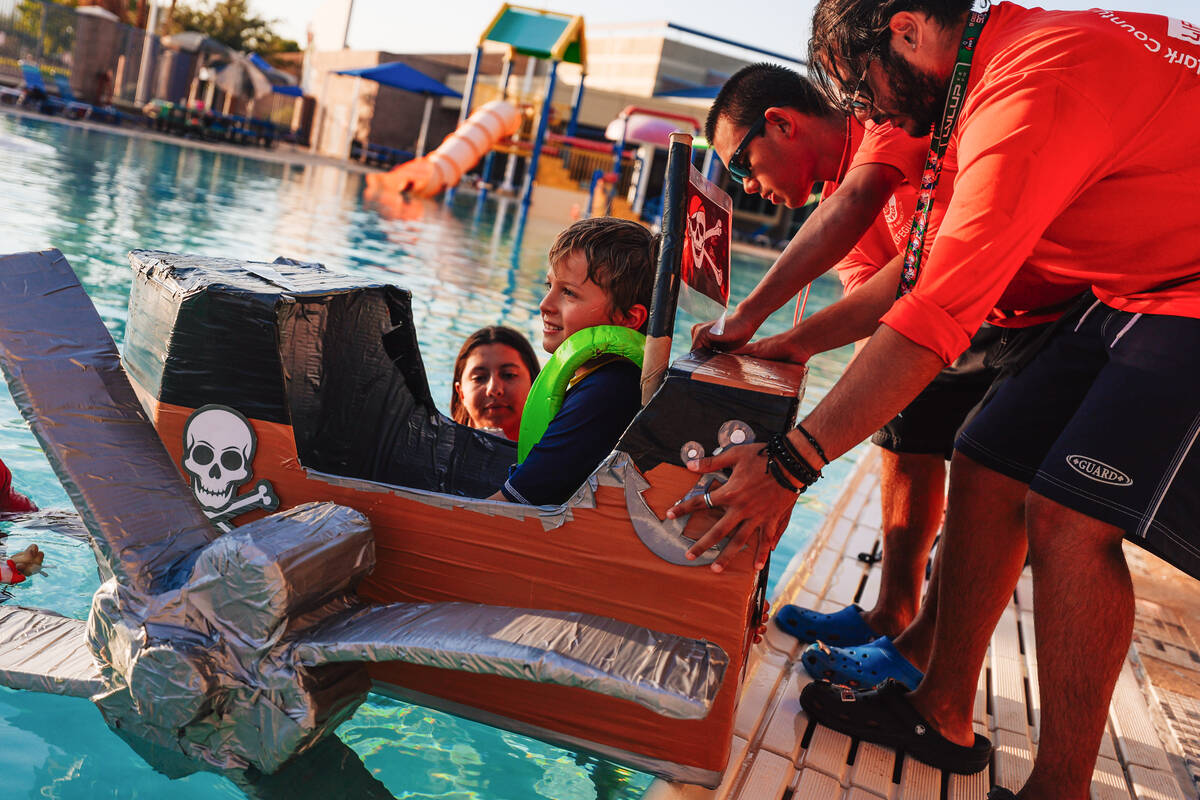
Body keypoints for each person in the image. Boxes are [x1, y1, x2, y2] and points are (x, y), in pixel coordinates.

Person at [669, 2, 1200, 797]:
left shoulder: (1031, 88)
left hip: (1184, 289)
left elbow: (932, 316)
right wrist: (797, 345)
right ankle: (943, 708)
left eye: (857, 89)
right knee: (988, 459)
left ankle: (1061, 788)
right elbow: (917, 273)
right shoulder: (989, 76)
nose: (863, 113)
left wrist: (789, 463)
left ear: (909, 30)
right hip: (1128, 283)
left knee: (1071, 516)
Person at [701, 64, 1078, 681]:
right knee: (901, 424)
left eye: (741, 165)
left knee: (989, 468)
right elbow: (881, 307)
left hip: (1039, 303)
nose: (744, 187)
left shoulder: (881, 122)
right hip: (968, 309)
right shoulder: (834, 214)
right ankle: (891, 612)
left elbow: (901, 240)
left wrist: (756, 319)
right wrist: (794, 354)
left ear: (781, 123)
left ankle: (925, 658)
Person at [489, 217, 656, 506]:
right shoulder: (606, 379)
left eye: (568, 292)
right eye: (549, 285)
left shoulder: (609, 391)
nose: (545, 304)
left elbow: (510, 507)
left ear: (628, 319)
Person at [450, 325, 540, 441]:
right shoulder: (439, 453)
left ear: (534, 385)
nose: (493, 389)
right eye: (479, 378)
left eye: (509, 375)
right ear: (461, 393)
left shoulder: (560, 451)